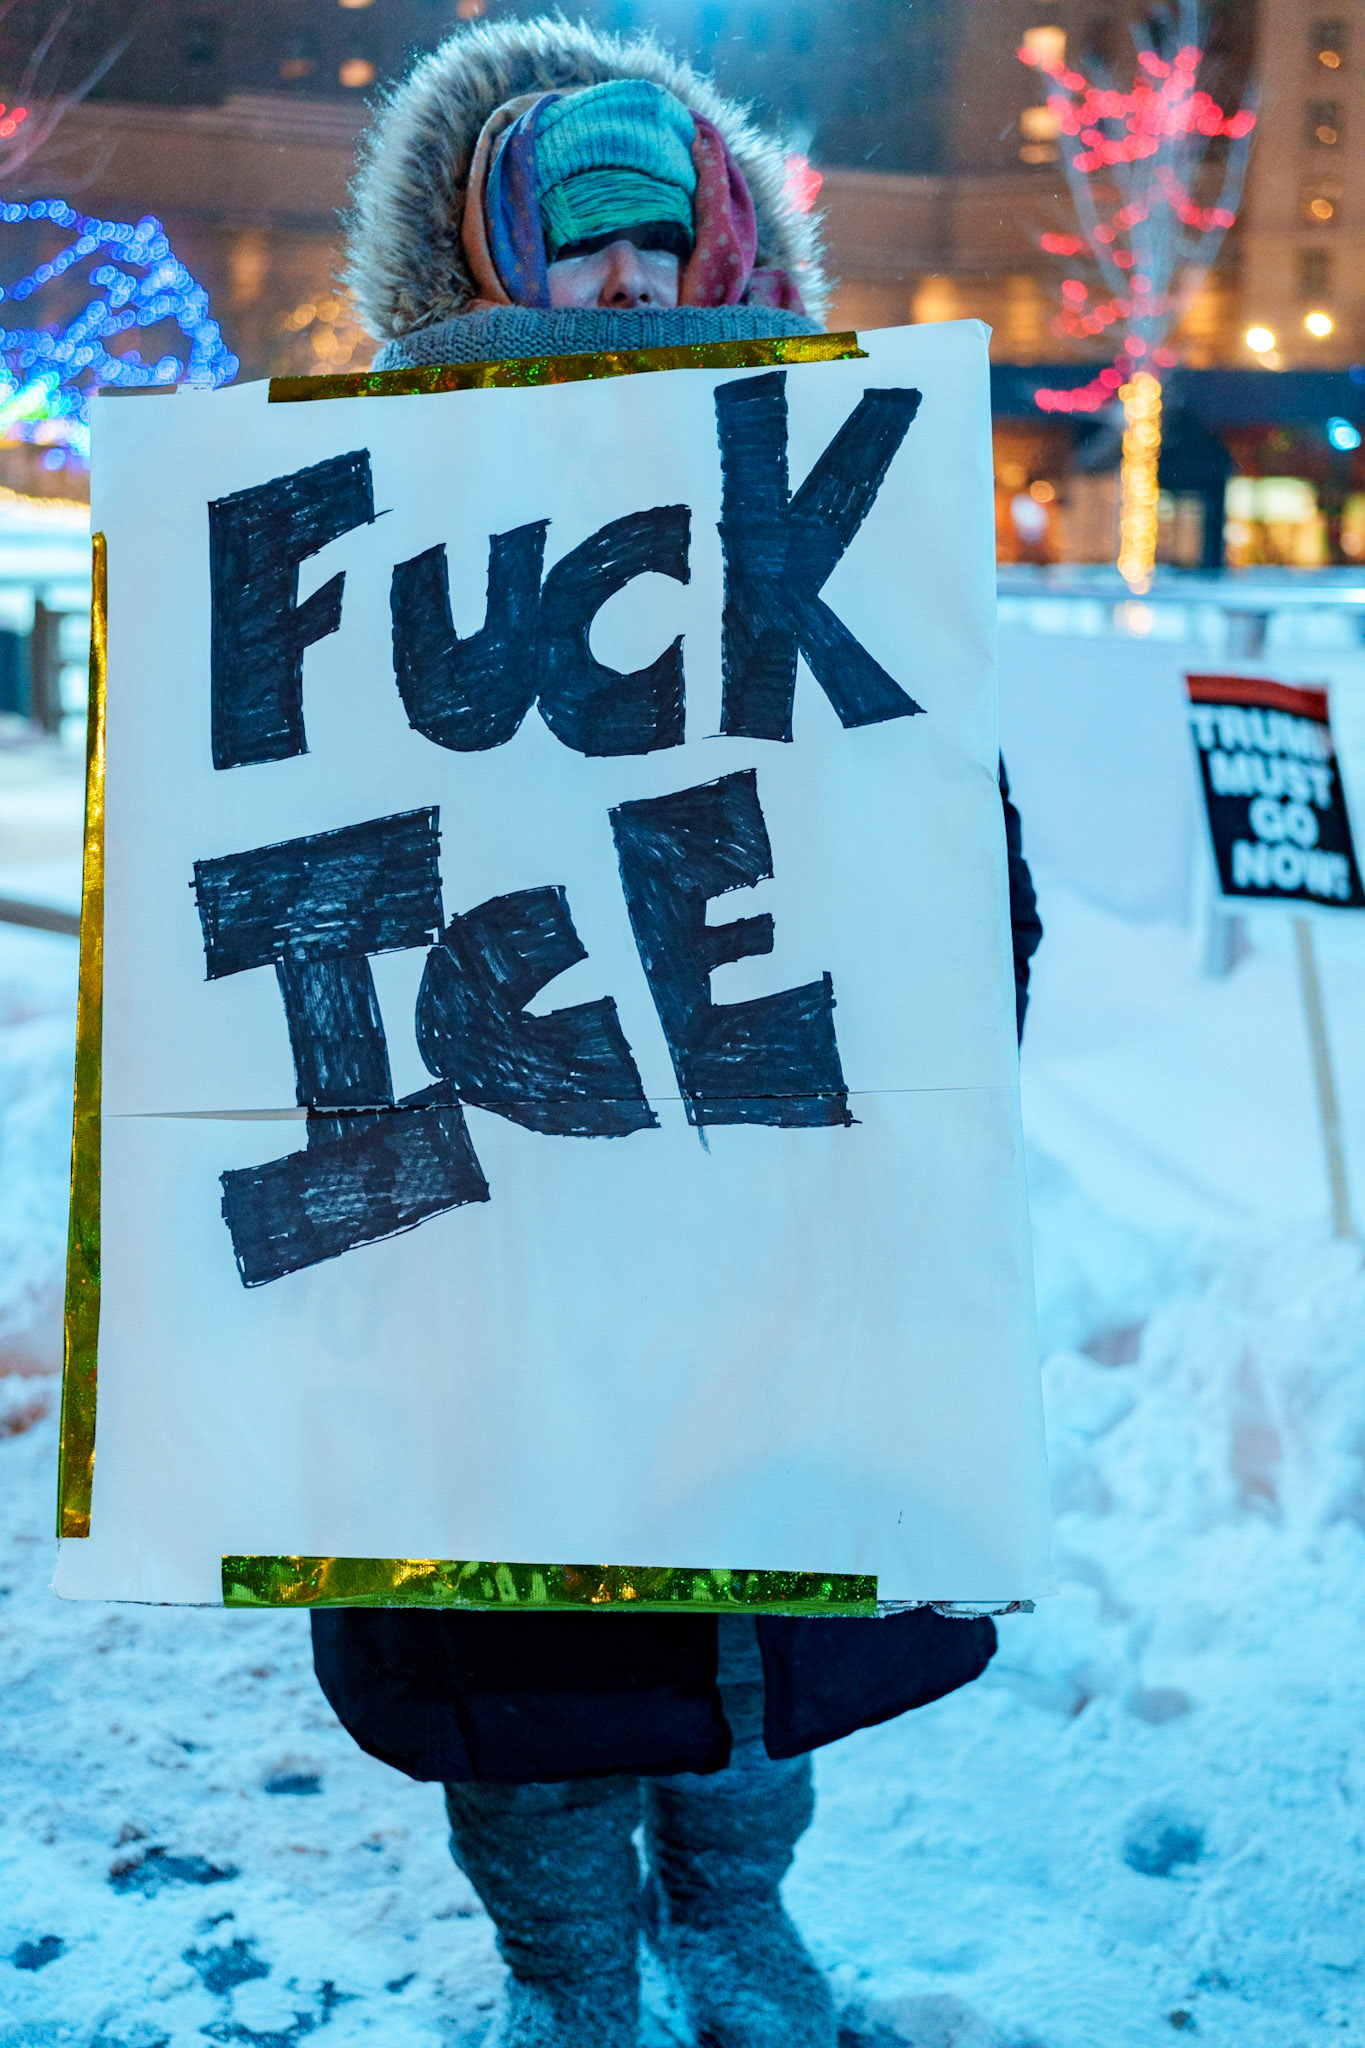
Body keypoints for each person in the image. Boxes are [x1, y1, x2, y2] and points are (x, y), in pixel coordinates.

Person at [313, 20, 1043, 2047]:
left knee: (750, 1604)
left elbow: (929, 807)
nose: (628, 285)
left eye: (661, 246)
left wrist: (948, 1043)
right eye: (584, 248)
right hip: (489, 1195)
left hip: (759, 1172)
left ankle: (733, 1924)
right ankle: (564, 1969)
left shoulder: (821, 498)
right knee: (518, 1633)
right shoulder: (356, 497)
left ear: (720, 255)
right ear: (497, 262)